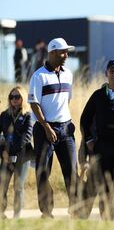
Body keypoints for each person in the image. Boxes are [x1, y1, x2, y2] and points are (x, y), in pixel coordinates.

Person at [28, 37, 79, 218]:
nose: (66, 55)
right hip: (44, 129)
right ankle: (47, 212)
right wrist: (47, 127)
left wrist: (62, 121)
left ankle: (76, 210)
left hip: (65, 129)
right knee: (43, 172)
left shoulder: (68, 74)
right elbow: (34, 104)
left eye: (67, 52)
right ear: (52, 53)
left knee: (72, 170)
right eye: (62, 52)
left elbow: (67, 99)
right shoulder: (39, 76)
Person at [80, 59, 114, 220]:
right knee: (99, 182)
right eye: (111, 71)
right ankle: (99, 217)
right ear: (106, 74)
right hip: (101, 146)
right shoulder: (97, 95)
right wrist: (88, 139)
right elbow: (85, 119)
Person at [0, 86, 33, 219]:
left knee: (18, 186)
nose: (14, 99)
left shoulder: (28, 115)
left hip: (22, 155)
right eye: (11, 97)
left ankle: (17, 215)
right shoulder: (4, 115)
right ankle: (1, 213)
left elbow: (27, 135)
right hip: (6, 155)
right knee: (2, 185)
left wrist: (14, 150)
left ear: (23, 98)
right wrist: (3, 150)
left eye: (17, 97)